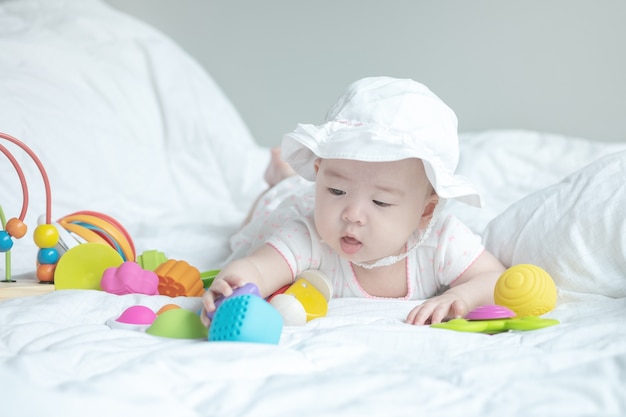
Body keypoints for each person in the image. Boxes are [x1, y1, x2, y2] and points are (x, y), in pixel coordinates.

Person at [201, 76, 506, 326]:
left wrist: (463, 297)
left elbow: (494, 278)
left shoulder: (440, 242)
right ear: (319, 175)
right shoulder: (309, 236)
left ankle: (289, 176)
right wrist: (234, 287)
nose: (353, 215)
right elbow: (260, 267)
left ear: (426, 210)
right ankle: (282, 178)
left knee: (301, 188)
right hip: (288, 200)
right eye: (336, 190)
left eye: (381, 202)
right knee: (266, 206)